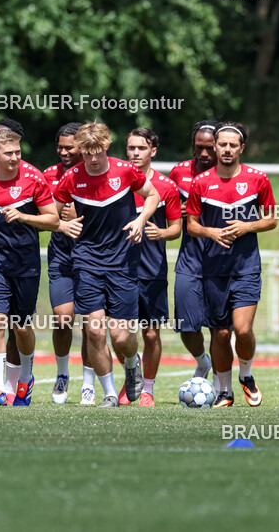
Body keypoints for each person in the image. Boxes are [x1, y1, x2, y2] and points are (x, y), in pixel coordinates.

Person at [53, 122, 159, 408]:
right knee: (95, 331)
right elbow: (49, 209)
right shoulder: (71, 178)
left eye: (98, 151)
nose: (93, 159)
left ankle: (131, 361)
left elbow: (153, 195)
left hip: (123, 261)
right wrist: (62, 225)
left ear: (107, 146)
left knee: (121, 335)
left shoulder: (125, 171)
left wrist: (139, 221)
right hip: (86, 261)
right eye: (87, 153)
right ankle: (110, 393)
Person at [0, 128, 59, 406]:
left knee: (21, 326)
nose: (16, 157)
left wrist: (23, 216)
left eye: (18, 151)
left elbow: (52, 220)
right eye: (9, 153)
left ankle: (26, 377)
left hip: (25, 263)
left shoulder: (33, 177)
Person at [185, 122, 277, 407]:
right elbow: (191, 226)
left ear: (241, 149)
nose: (226, 149)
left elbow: (272, 219)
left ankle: (246, 375)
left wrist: (247, 227)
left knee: (243, 329)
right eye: (221, 144)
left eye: (232, 145)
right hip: (213, 268)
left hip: (246, 266)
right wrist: (211, 232)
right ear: (215, 147)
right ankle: (224, 391)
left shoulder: (257, 179)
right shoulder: (201, 183)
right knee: (221, 332)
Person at [120, 128, 182, 406]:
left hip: (152, 270)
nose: (135, 153)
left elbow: (177, 228)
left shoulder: (166, 187)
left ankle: (147, 389)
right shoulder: (116, 182)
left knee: (151, 332)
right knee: (120, 333)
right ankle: (129, 377)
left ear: (152, 152)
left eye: (141, 148)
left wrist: (161, 233)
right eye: (131, 148)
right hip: (118, 269)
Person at [42, 122, 95, 405]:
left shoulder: (96, 173)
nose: (63, 152)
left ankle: (88, 383)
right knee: (63, 318)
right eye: (60, 147)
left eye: (69, 147)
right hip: (61, 256)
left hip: (92, 256)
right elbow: (43, 213)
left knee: (90, 322)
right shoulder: (49, 175)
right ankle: (62, 374)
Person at [168, 121, 219, 388]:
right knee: (186, 325)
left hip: (222, 261)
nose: (204, 154)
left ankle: (225, 383)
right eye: (199, 147)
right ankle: (202, 361)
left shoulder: (230, 175)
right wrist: (179, 211)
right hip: (189, 259)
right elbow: (165, 204)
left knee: (220, 329)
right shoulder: (178, 172)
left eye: (209, 148)